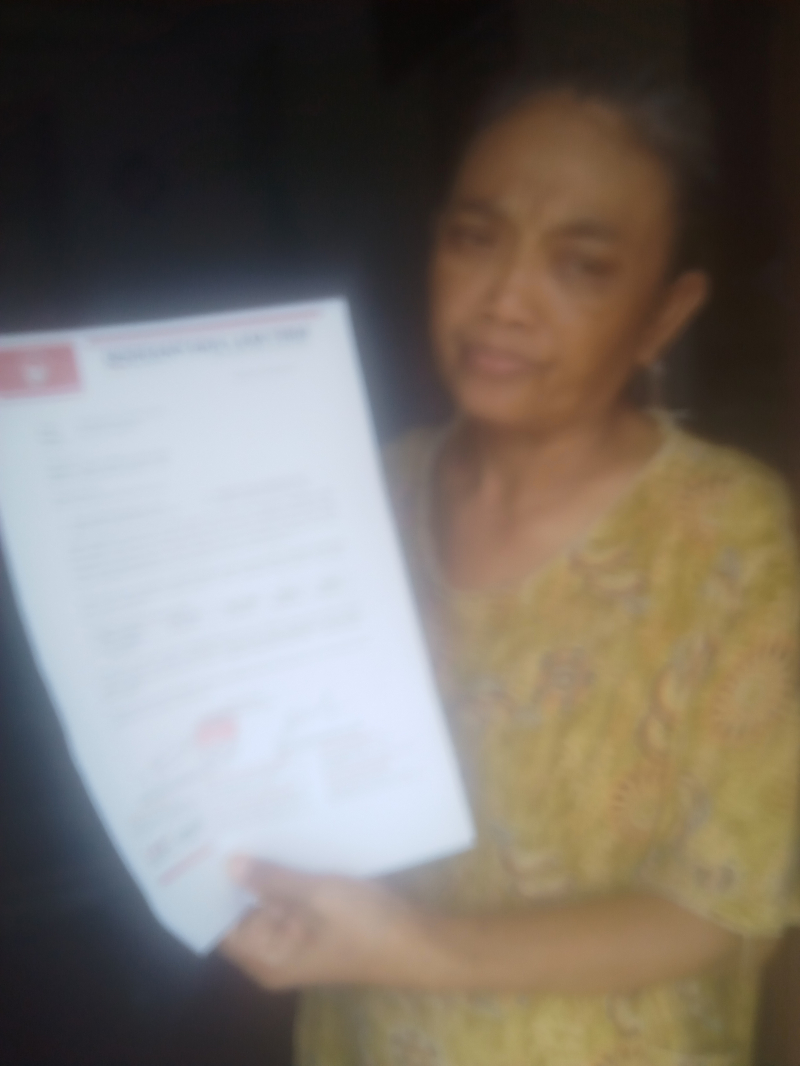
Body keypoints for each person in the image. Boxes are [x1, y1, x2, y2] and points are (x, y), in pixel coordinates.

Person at [221, 65, 800, 1065]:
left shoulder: (724, 536)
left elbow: (721, 902)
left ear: (664, 315)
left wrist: (417, 948)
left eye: (581, 266)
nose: (503, 300)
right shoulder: (363, 492)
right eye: (475, 239)